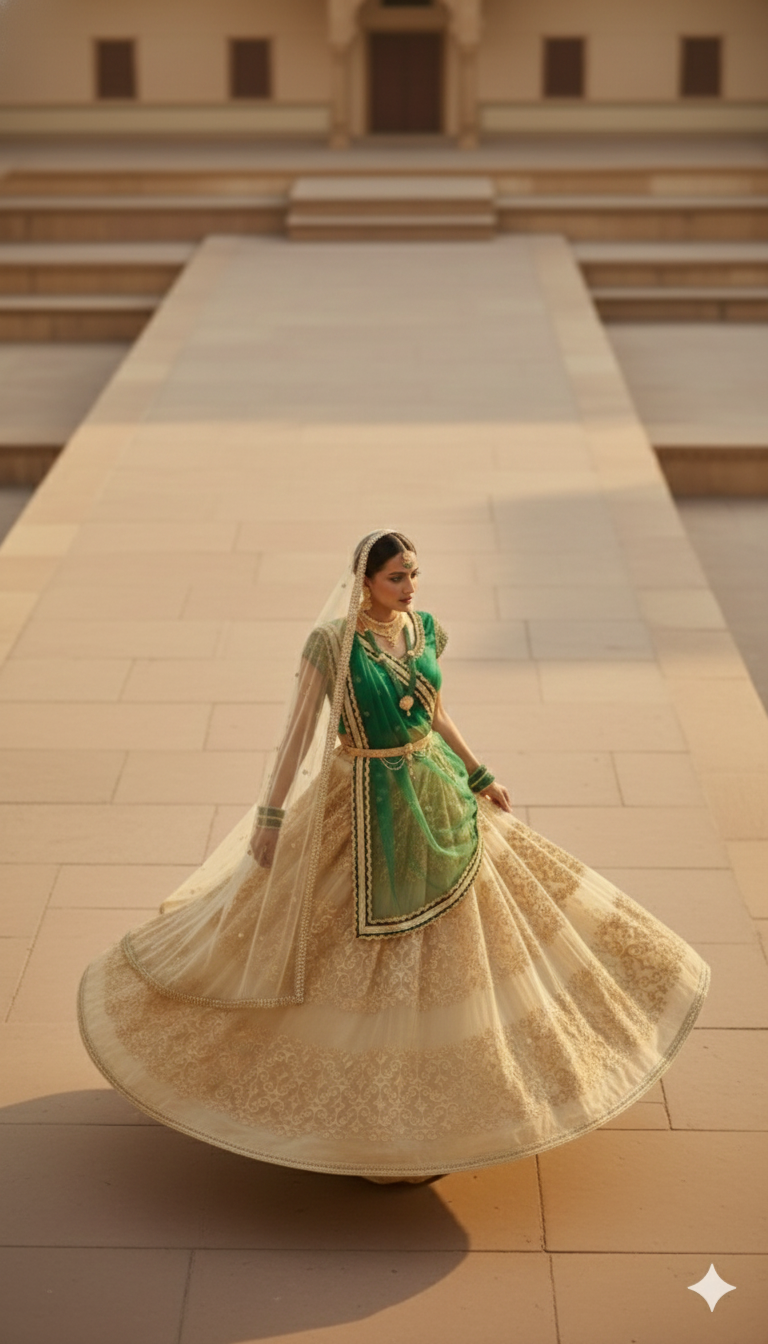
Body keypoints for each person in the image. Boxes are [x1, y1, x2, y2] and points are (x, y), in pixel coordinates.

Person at [79, 529, 710, 1183]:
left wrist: (477, 771)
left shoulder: (425, 629)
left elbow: (436, 712)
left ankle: (444, 1112)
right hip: (359, 798)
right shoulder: (331, 644)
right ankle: (370, 1127)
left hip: (432, 793)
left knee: (462, 945)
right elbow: (297, 736)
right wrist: (268, 816)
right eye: (396, 579)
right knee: (344, 953)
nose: (409, 589)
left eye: (413, 574)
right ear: (365, 583)